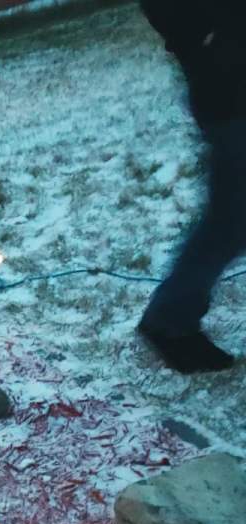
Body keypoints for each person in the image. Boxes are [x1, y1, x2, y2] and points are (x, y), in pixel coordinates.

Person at [138, 2, 246, 373]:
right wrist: (208, 41)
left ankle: (171, 317)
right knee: (231, 220)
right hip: (228, 90)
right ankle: (169, 320)